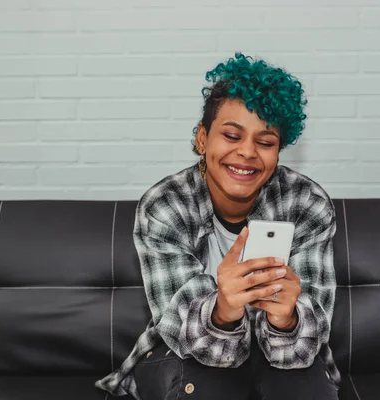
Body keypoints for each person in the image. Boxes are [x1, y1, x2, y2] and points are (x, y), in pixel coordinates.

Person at [95, 52, 339, 400]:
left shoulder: (306, 203)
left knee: (304, 386)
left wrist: (287, 319)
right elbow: (187, 338)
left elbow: (304, 348)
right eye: (231, 135)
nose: (247, 152)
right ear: (202, 139)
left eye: (265, 142)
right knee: (210, 384)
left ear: (278, 152)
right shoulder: (165, 205)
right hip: (182, 352)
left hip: (282, 358)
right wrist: (223, 311)